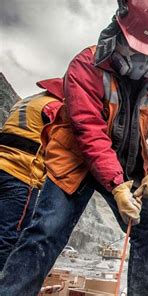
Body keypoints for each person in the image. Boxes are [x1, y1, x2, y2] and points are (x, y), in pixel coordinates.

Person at [0, 1, 148, 295]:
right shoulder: (86, 65)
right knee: (47, 230)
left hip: (126, 165)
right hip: (77, 160)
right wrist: (117, 186)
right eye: (136, 48)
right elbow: (89, 132)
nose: (141, 57)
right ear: (119, 32)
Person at [0, 82, 62, 269]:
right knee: (9, 237)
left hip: (3, 165)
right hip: (21, 174)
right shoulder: (55, 107)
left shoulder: (27, 101)